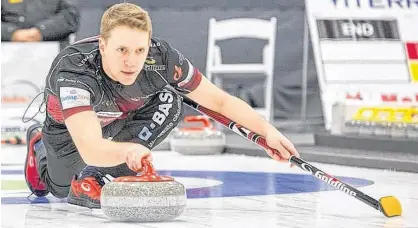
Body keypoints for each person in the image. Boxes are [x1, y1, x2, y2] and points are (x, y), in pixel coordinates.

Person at [24, 3, 300, 209]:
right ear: (103, 45)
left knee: (170, 99)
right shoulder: (74, 69)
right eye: (122, 50)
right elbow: (90, 146)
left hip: (121, 115)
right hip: (71, 129)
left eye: (139, 50)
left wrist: (267, 131)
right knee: (58, 189)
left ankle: (98, 178)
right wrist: (128, 149)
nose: (132, 61)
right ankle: (39, 146)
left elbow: (219, 100)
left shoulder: (163, 58)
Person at [1, 0, 79, 48]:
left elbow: (70, 17)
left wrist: (40, 31)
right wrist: (12, 33)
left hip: (53, 53)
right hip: (8, 55)